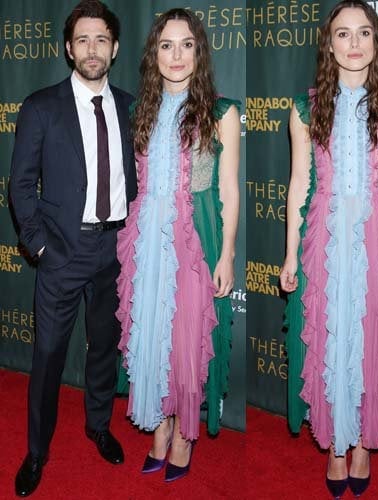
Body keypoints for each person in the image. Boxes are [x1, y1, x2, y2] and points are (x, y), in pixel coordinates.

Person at [279, 1, 378, 497]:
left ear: (376, 42)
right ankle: (336, 446)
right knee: (330, 337)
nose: (354, 43)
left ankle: (361, 443)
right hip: (325, 239)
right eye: (343, 34)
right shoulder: (305, 107)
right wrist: (292, 253)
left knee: (369, 338)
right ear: (329, 43)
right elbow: (299, 184)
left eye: (364, 32)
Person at [9, 1, 135, 496]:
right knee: (48, 356)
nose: (91, 48)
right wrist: (39, 247)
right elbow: (20, 186)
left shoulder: (130, 105)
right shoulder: (41, 106)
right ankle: (36, 452)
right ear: (68, 48)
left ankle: (98, 426)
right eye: (82, 39)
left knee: (103, 348)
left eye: (100, 39)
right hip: (61, 254)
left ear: (115, 48)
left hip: (115, 251)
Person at [115, 8, 240, 482]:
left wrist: (227, 253)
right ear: (154, 54)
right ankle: (161, 426)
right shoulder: (137, 112)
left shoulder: (222, 112)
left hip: (197, 238)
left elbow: (228, 189)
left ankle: (184, 432)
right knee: (152, 334)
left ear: (199, 52)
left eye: (186, 44)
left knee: (187, 338)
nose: (176, 55)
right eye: (166, 45)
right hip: (147, 239)